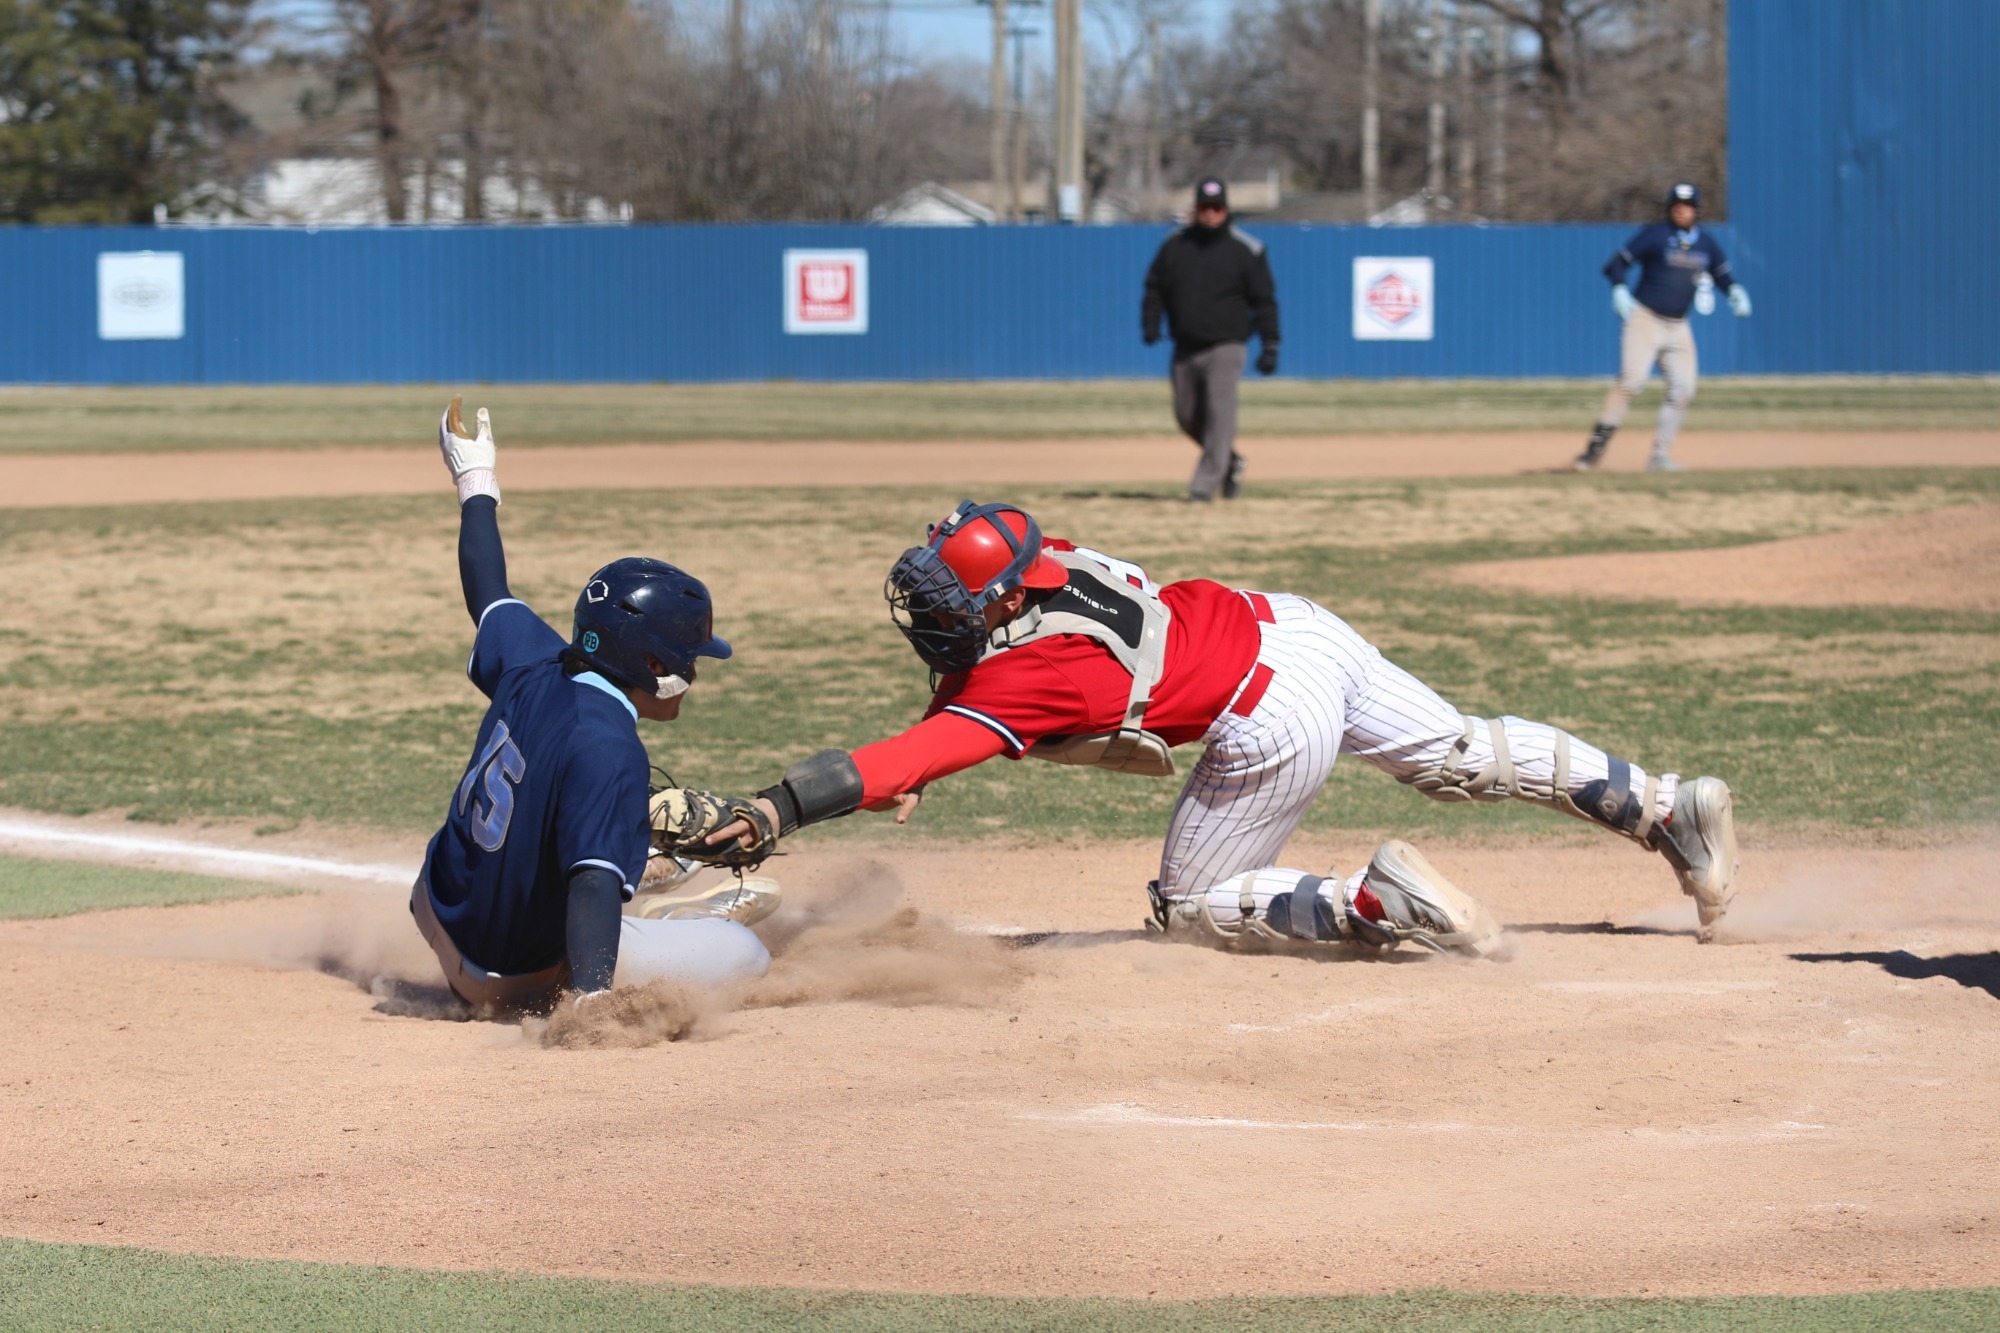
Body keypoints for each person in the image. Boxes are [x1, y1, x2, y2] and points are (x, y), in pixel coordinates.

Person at [714, 501, 1739, 952]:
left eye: (946, 600)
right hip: (1292, 626)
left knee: (1192, 906)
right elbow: (962, 699)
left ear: (991, 606)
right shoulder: (1049, 563)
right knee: (1459, 751)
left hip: (1263, 713)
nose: (933, 613)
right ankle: (1662, 806)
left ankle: (1377, 901)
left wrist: (778, 806)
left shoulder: (1035, 675)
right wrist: (935, 739)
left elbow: (924, 744)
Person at [412, 397, 776, 1013]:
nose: (694, 671)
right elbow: (591, 885)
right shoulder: (611, 748)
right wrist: (591, 1003)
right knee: (746, 952)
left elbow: (488, 590)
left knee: (584, 829)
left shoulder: (536, 659)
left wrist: (474, 477)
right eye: (691, 658)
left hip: (436, 910)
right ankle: (671, 911)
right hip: (505, 978)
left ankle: (650, 870)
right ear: (655, 666)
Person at [1575, 182, 1752, 473]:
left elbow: (1721, 275)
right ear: (1670, 207)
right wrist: (1619, 288)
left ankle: (1659, 456)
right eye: (1676, 205)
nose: (1682, 210)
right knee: (1631, 383)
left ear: (1696, 209)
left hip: (1678, 326)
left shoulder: (1705, 243)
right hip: (1645, 320)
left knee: (1683, 390)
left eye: (1688, 205)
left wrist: (1734, 291)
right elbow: (1616, 264)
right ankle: (1594, 449)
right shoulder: (1656, 235)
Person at [1141, 178, 1281, 503]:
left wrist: (1270, 345)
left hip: (1226, 345)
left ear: (1226, 209)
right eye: (1205, 207)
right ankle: (1230, 461)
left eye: (1217, 207)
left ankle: (1202, 489)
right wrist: (1151, 323)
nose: (1211, 214)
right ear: (1197, 208)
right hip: (1185, 347)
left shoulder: (1246, 248)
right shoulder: (1175, 245)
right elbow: (1154, 288)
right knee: (1187, 415)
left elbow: (1264, 300)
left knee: (1220, 416)